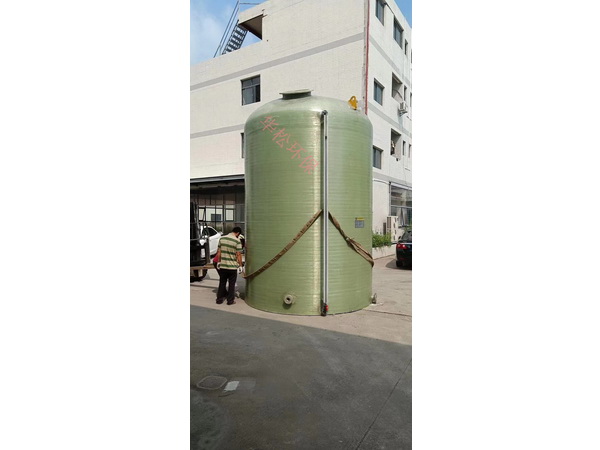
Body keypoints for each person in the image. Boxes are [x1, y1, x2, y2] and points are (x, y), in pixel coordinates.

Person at [215, 226, 244, 305]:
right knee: (231, 284)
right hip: (232, 267)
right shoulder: (237, 241)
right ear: (238, 233)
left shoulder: (222, 239)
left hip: (223, 266)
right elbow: (238, 254)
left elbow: (219, 252)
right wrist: (240, 265)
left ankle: (219, 300)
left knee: (222, 283)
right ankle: (230, 301)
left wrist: (219, 262)